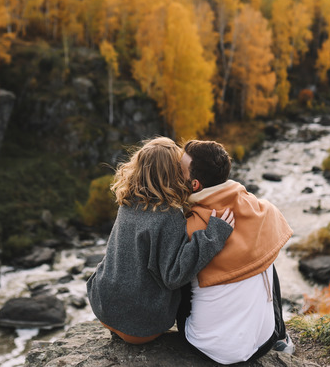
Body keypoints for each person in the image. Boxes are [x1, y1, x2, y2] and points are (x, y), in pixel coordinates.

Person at [86, 137, 236, 344]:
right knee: (187, 284)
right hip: (140, 328)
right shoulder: (169, 214)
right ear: (173, 173)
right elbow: (174, 276)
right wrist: (212, 236)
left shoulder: (128, 200)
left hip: (103, 306)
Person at [177, 140, 294, 364]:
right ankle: (281, 334)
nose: (174, 173)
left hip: (208, 347)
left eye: (179, 170)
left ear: (194, 185)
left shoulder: (189, 227)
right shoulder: (264, 211)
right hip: (263, 342)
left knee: (182, 269)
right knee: (265, 253)